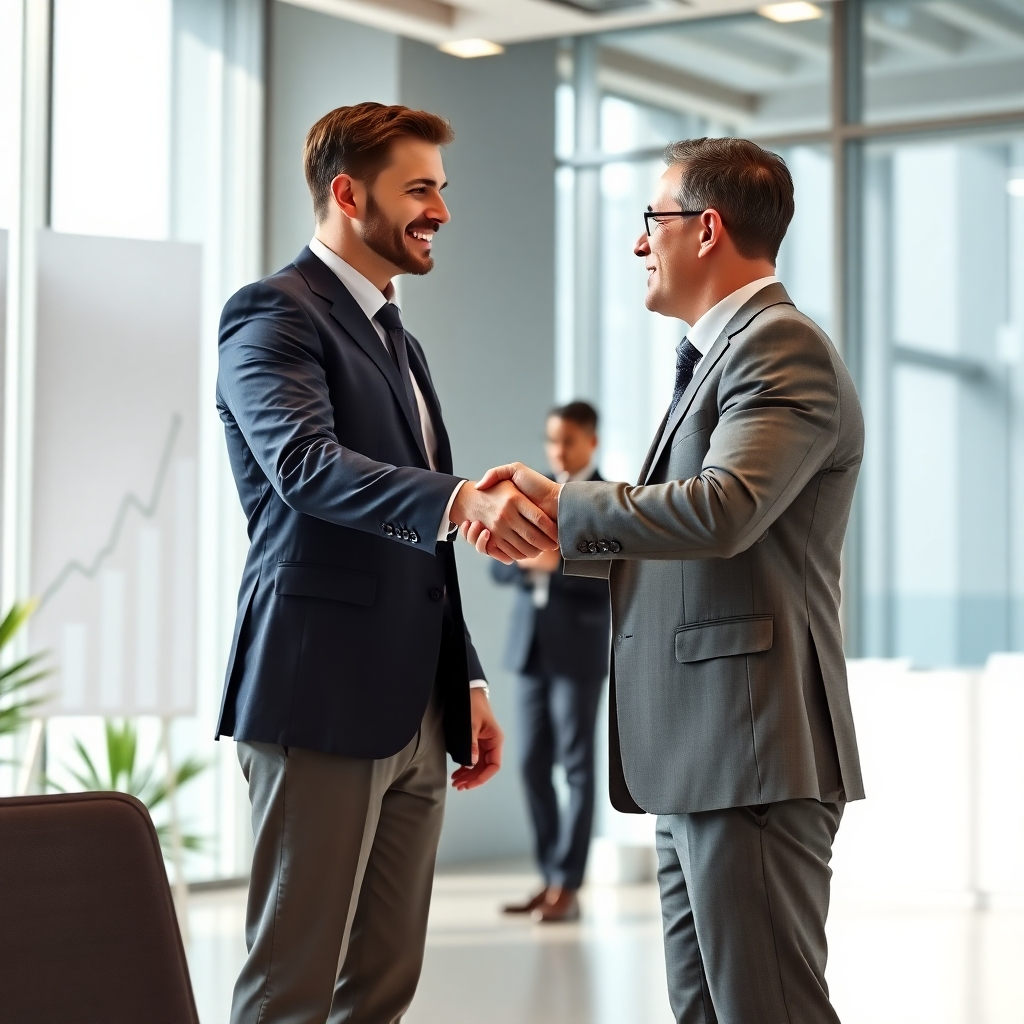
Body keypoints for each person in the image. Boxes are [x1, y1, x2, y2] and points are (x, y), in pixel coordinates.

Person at [462, 137, 865, 1023]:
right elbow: (686, 528)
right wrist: (557, 536)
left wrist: (567, 506)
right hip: (699, 755)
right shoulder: (717, 356)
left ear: (707, 228)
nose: (640, 242)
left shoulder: (780, 345)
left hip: (747, 752)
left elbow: (724, 509)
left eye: (654, 219)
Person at [215, 102, 558, 1024]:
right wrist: (462, 499)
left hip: (418, 702)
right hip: (318, 691)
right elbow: (304, 466)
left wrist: (466, 679)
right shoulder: (273, 313)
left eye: (441, 189)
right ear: (347, 193)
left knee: (382, 987)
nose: (440, 210)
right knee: (291, 988)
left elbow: (419, 542)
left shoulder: (398, 337)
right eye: (418, 189)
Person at [492, 401, 611, 924]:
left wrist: (556, 564)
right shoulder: (530, 493)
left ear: (591, 442)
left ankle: (569, 884)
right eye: (551, 440)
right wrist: (527, 561)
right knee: (530, 765)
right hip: (530, 649)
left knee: (578, 768)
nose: (557, 451)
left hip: (577, 650)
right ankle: (548, 877)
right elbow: (499, 566)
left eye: (567, 441)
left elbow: (616, 575)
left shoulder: (606, 498)